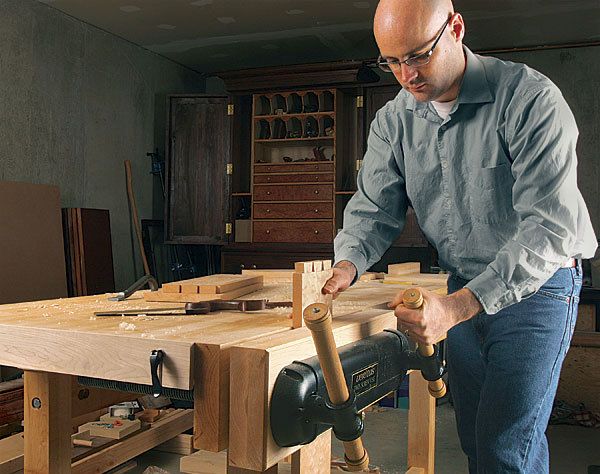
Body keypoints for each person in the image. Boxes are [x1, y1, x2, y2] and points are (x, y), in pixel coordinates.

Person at [322, 0, 598, 472]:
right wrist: (348, 262)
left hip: (538, 286)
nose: (407, 75)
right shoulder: (395, 120)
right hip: (463, 283)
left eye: (418, 55)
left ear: (456, 27)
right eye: (392, 62)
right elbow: (372, 209)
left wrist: (455, 308)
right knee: (473, 437)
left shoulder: (529, 99)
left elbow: (549, 228)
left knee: (505, 446)